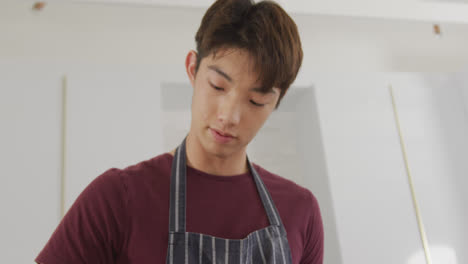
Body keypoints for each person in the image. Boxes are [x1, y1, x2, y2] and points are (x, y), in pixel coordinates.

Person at [35, 0, 324, 263]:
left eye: (255, 101)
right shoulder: (117, 199)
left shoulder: (301, 212)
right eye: (217, 86)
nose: (229, 116)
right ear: (192, 68)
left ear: (277, 101)